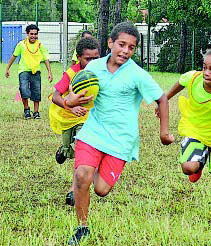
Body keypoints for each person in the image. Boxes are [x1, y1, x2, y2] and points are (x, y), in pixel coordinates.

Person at [65, 22, 174, 245]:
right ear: (110, 43)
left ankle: (89, 174)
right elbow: (73, 91)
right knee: (82, 176)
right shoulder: (94, 67)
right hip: (93, 133)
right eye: (121, 44)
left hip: (122, 140)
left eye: (131, 47)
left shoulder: (136, 74)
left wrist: (164, 132)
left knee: (101, 190)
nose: (125, 50)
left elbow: (162, 98)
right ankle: (82, 227)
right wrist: (70, 100)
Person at [162, 45, 211, 216]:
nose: (206, 73)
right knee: (188, 168)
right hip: (195, 130)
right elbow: (180, 82)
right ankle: (199, 162)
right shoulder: (194, 78)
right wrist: (164, 100)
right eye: (204, 67)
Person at [49, 37, 100, 206]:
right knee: (68, 149)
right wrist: (70, 107)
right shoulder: (71, 73)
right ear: (79, 58)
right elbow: (55, 96)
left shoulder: (100, 73)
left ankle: (73, 190)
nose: (92, 62)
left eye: (95, 58)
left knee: (81, 150)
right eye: (88, 59)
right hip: (68, 116)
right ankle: (63, 151)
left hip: (87, 119)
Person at [5, 24, 53, 119]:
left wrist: (49, 72)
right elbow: (14, 56)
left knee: (36, 91)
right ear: (27, 34)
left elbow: (46, 59)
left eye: (35, 34)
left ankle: (36, 112)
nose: (33, 36)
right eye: (31, 34)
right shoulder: (21, 44)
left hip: (36, 72)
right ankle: (26, 110)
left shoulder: (40, 45)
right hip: (23, 71)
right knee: (24, 90)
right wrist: (7, 68)